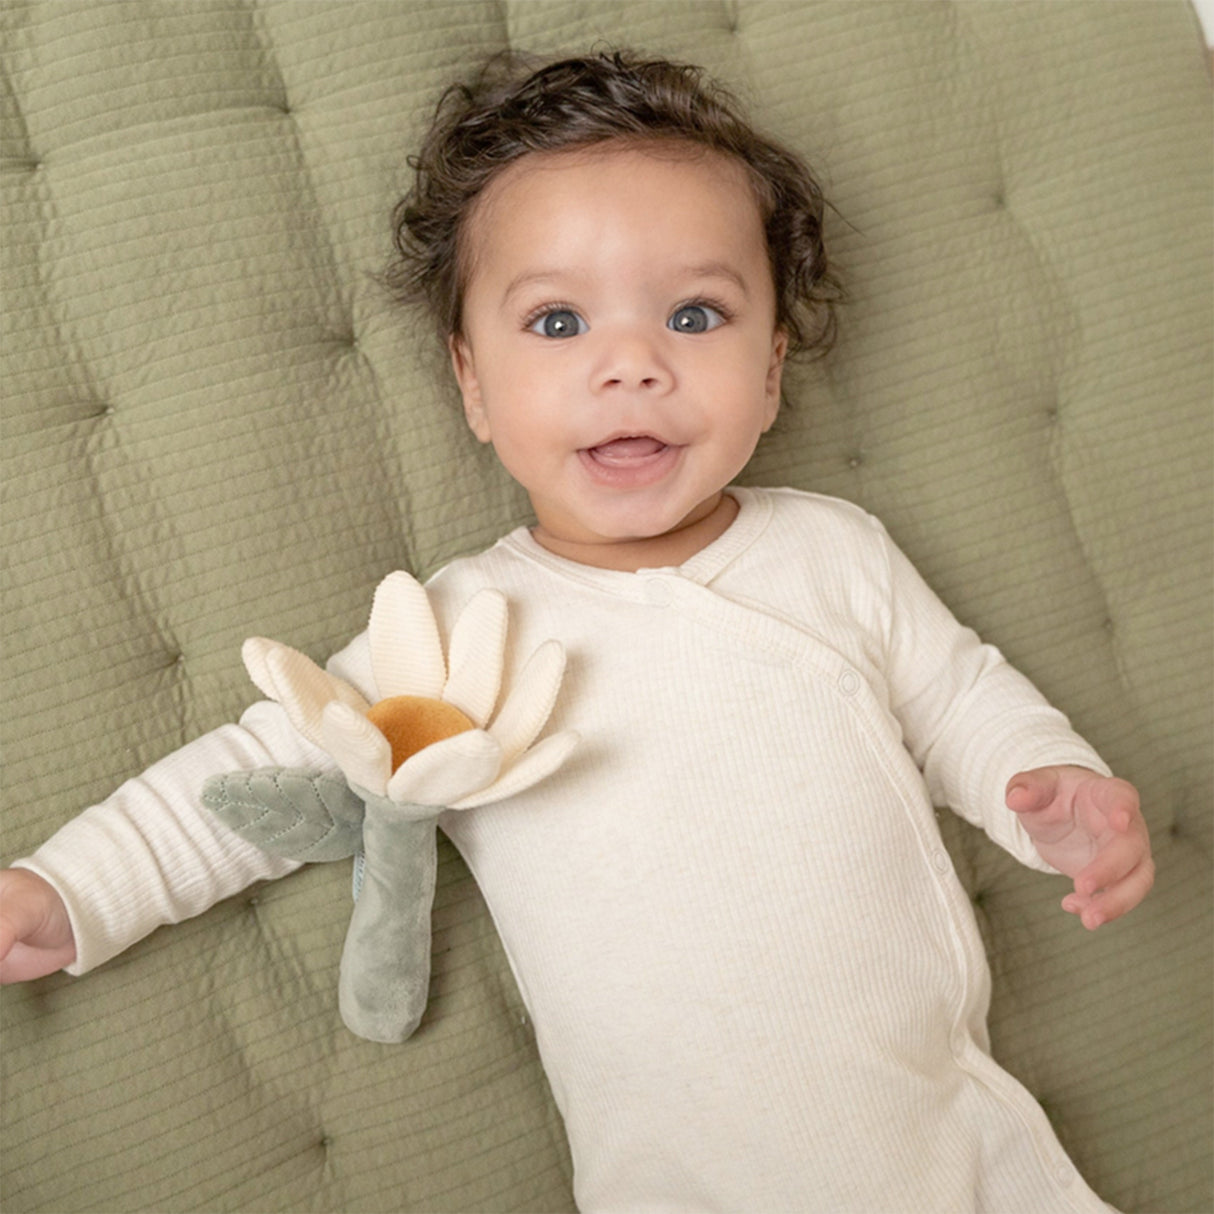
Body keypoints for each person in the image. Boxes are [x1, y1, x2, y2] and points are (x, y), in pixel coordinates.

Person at [0, 51, 1154, 1213]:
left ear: (769, 367)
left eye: (693, 314)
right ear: (472, 384)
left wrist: (1047, 780)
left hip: (958, 1144)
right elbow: (265, 765)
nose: (630, 365)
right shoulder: (458, 634)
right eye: (556, 321)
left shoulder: (832, 550)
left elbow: (960, 696)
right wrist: (71, 888)